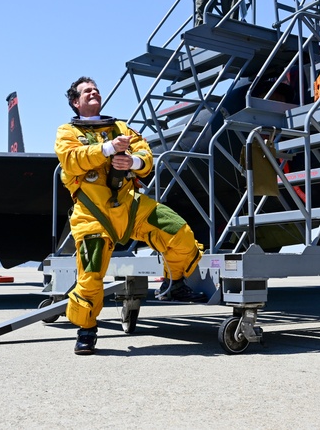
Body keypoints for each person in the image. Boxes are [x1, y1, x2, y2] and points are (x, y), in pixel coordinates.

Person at [55, 77, 206, 355]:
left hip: (130, 205)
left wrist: (132, 162)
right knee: (90, 275)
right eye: (87, 91)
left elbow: (145, 156)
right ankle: (86, 331)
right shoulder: (67, 132)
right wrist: (109, 149)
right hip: (93, 213)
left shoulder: (121, 128)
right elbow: (72, 160)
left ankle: (175, 282)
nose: (94, 92)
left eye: (96, 89)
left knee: (178, 232)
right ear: (76, 102)